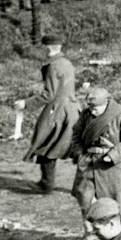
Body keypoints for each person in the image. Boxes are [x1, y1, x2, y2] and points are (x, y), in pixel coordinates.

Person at [69, 85, 121, 225]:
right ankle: (90, 234)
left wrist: (113, 155)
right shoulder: (85, 115)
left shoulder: (120, 116)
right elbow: (75, 136)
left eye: (95, 108)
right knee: (86, 200)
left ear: (105, 104)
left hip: (113, 167)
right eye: (90, 107)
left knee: (118, 202)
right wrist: (79, 154)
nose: (91, 111)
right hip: (88, 163)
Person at [24, 36, 79, 193]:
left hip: (57, 111)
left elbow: (48, 95)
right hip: (73, 109)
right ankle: (86, 183)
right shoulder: (67, 63)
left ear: (47, 48)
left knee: (46, 143)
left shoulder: (53, 67)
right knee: (74, 147)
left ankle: (46, 184)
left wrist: (25, 103)